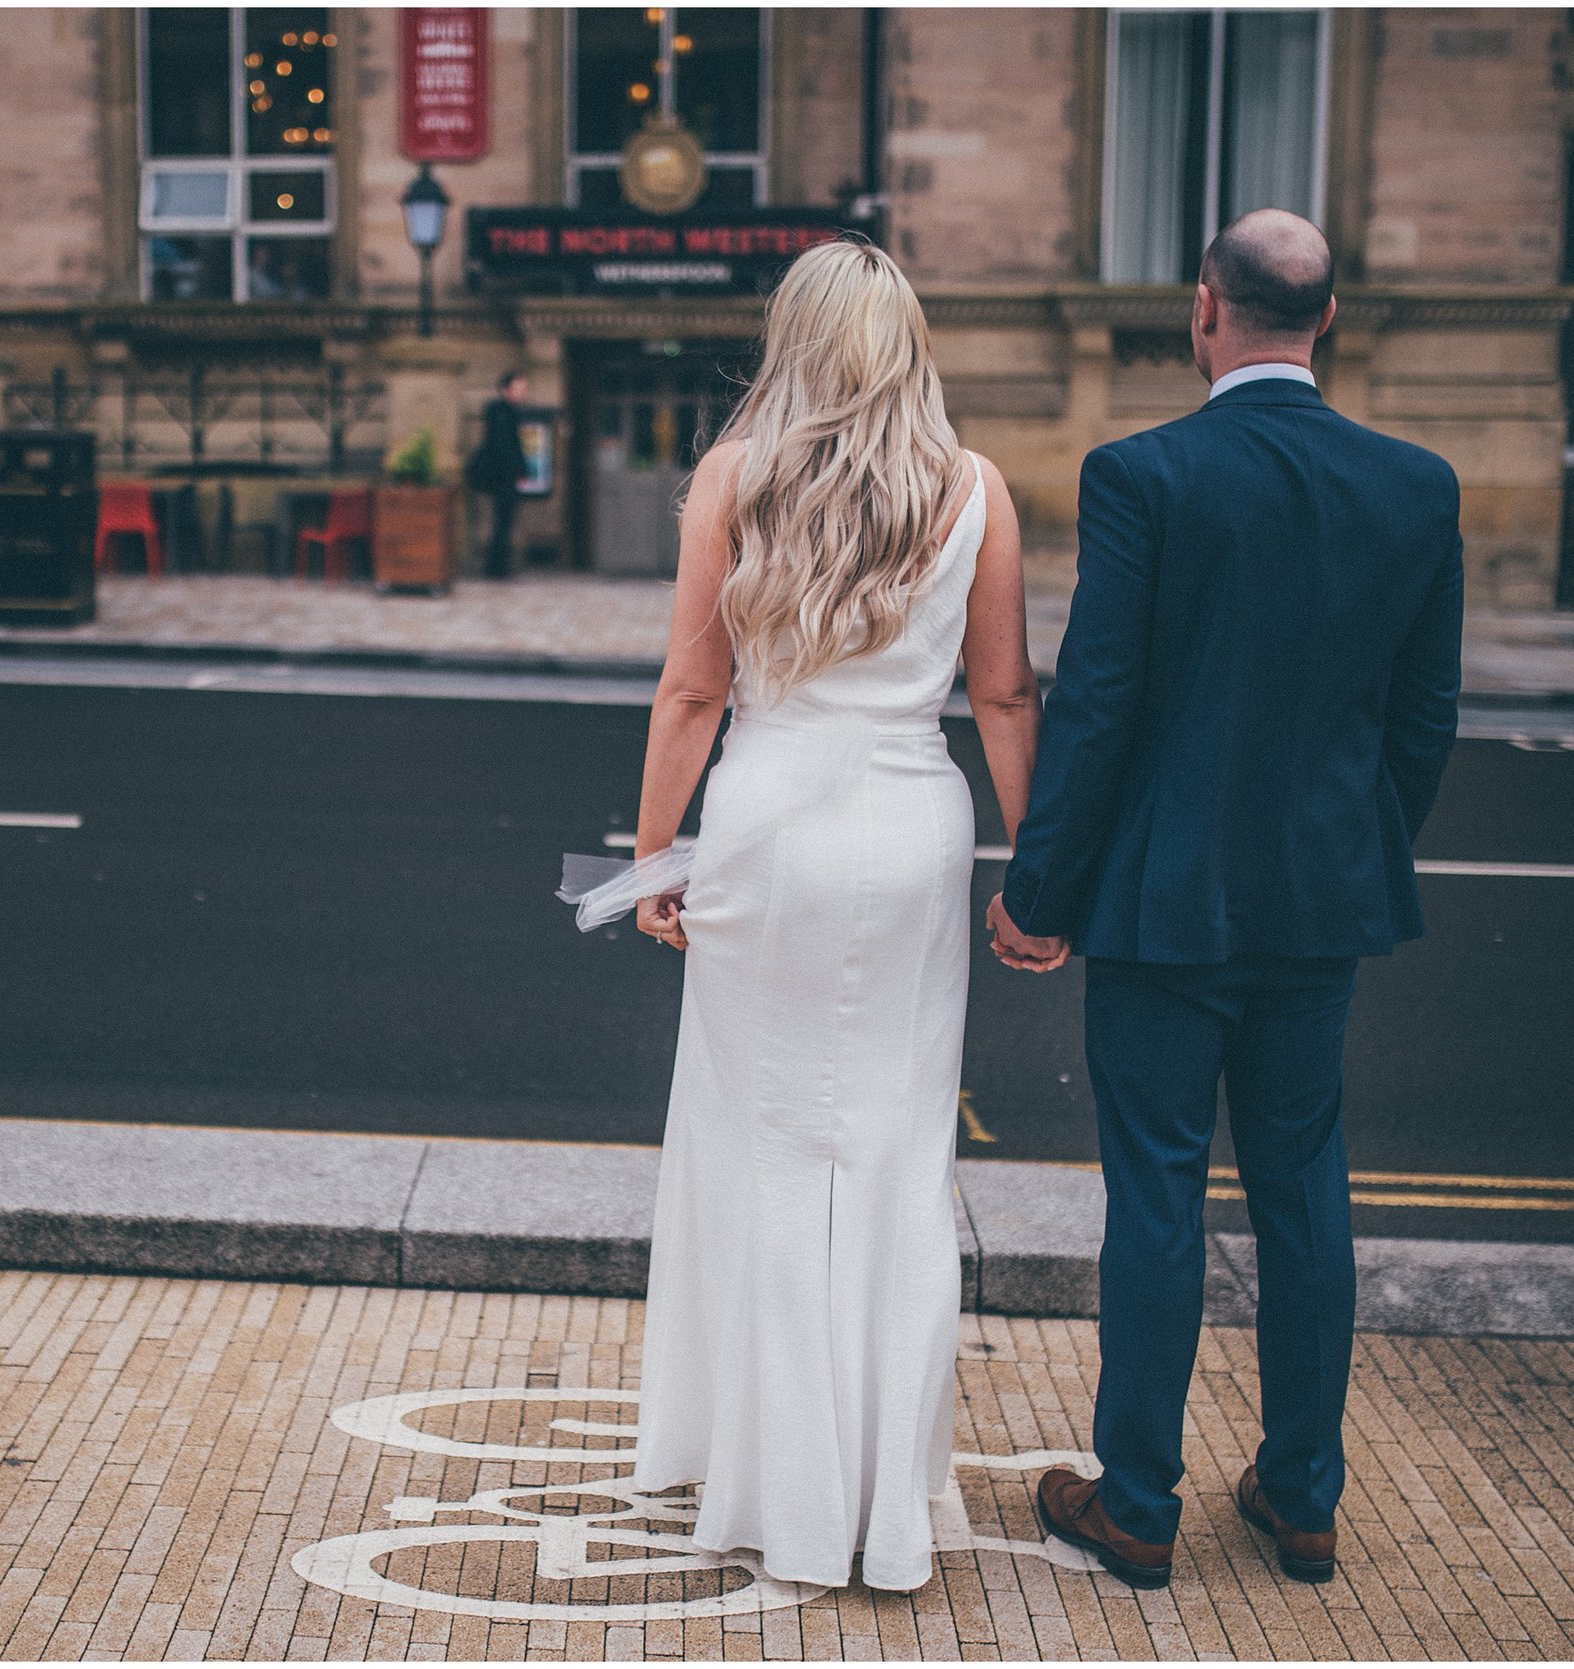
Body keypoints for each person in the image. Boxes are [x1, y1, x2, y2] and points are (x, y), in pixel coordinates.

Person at [988, 209, 1465, 1592]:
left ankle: (1137, 1501)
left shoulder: (1147, 474)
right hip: (1319, 904)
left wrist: (1041, 892)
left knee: (1157, 1190)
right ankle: (1302, 1496)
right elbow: (1422, 717)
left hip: (1162, 907)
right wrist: (1354, 850)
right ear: (1327, 319)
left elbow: (1102, 707)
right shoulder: (1414, 483)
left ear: (1207, 311)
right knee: (1306, 1183)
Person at [620, 239, 1047, 1591]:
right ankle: (880, 1498)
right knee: (894, 1155)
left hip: (769, 823)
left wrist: (652, 851)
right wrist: (1034, 863)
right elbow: (1004, 697)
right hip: (913, 832)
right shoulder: (976, 492)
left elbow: (693, 692)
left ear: (789, 343)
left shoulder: (733, 480)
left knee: (756, 1143)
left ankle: (763, 1476)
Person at [471, 371, 529, 579]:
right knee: (503, 522)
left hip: (503, 475)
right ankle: (497, 568)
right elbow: (506, 447)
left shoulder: (506, 412)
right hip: (502, 477)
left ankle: (498, 566)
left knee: (503, 522)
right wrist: (517, 471)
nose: (523, 393)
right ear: (506, 390)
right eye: (519, 388)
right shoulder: (502, 413)